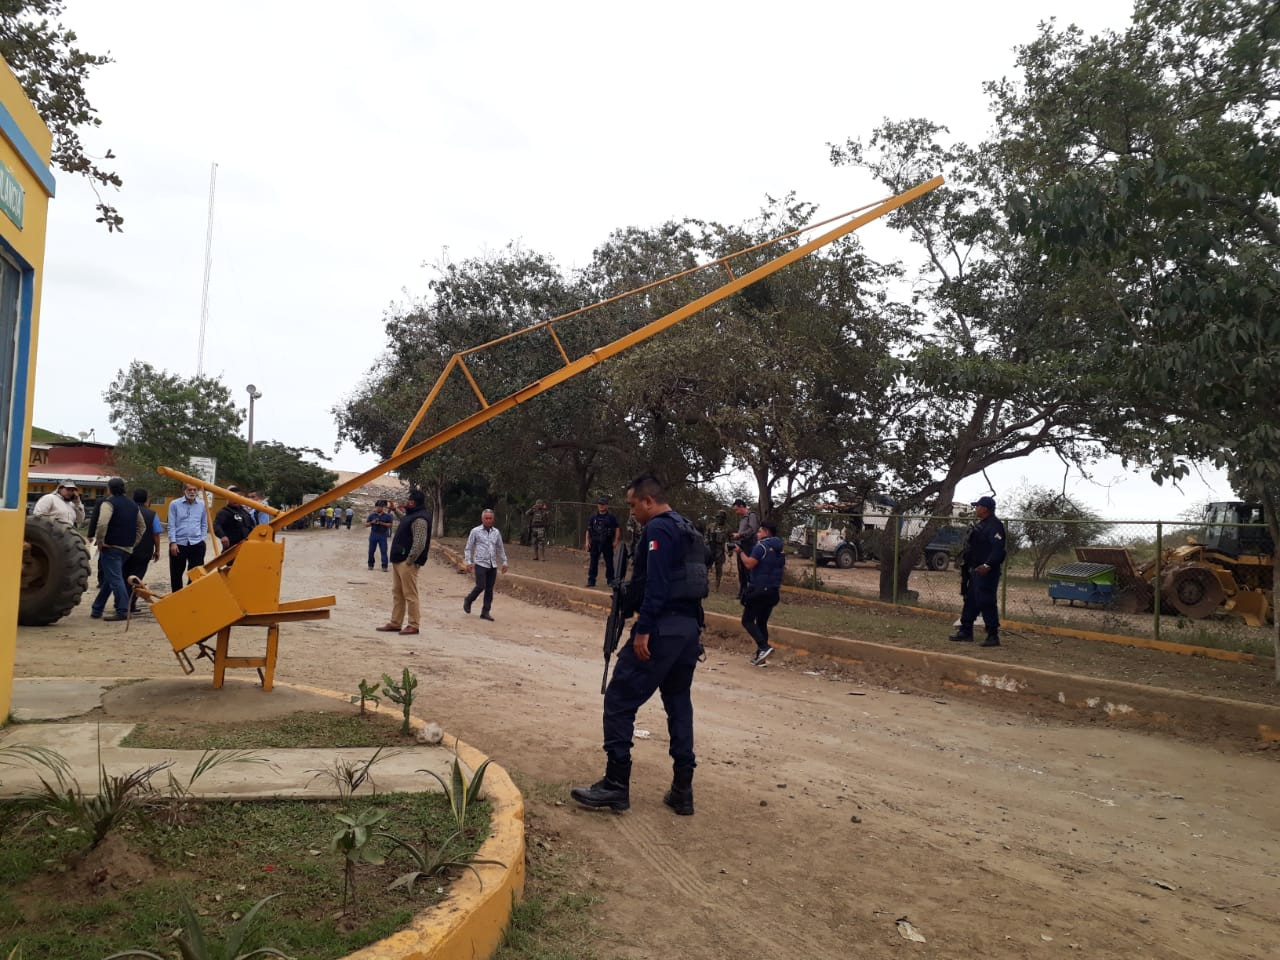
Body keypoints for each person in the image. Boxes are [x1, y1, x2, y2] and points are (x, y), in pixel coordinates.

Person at [572, 474, 707, 817]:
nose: (631, 512)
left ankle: (616, 785)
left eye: (633, 505)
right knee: (679, 703)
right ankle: (682, 789)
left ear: (648, 501)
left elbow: (658, 586)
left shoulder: (659, 528)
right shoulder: (686, 527)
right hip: (688, 630)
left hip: (661, 629)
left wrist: (643, 630)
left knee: (619, 698)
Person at [949, 495, 1006, 648]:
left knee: (986, 602)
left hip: (986, 571)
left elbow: (998, 550)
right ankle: (966, 631)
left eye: (978, 506)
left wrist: (987, 565)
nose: (976, 509)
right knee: (971, 601)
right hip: (975, 570)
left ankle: (993, 635)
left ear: (985, 509)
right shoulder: (982, 525)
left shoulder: (995, 526)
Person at [376, 489, 432, 636]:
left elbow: (419, 543)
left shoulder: (420, 519)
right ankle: (395, 623)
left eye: (410, 501)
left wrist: (410, 560)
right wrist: (395, 510)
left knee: (410, 594)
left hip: (407, 562)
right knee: (397, 593)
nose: (407, 502)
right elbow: (406, 521)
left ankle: (413, 625)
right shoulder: (412, 516)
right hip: (398, 560)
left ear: (415, 503)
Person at [89, 477, 146, 621]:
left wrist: (100, 541)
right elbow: (142, 526)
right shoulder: (133, 505)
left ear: (109, 489)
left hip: (111, 547)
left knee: (115, 579)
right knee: (110, 578)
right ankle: (97, 609)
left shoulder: (109, 503)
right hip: (126, 548)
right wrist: (133, 542)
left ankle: (122, 610)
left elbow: (102, 523)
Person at [737, 520, 786, 665]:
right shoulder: (780, 548)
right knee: (762, 622)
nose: (757, 534)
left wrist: (740, 553)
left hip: (759, 590)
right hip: (773, 591)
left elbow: (749, 563)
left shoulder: (761, 546)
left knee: (747, 620)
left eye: (759, 531)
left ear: (766, 532)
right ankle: (761, 657)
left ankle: (764, 647)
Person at [463, 509, 509, 621]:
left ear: (493, 519)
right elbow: (468, 548)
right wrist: (468, 562)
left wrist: (504, 561)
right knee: (481, 585)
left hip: (492, 564)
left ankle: (485, 611)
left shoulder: (496, 532)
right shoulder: (475, 531)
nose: (488, 520)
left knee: (489, 589)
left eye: (490, 518)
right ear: (482, 519)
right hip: (480, 563)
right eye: (486, 518)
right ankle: (469, 600)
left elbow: (500, 548)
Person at [123, 488, 162, 612]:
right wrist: (157, 550)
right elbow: (156, 534)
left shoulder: (126, 511)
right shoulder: (152, 514)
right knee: (137, 578)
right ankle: (131, 604)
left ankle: (121, 603)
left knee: (124, 576)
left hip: (125, 549)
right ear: (146, 499)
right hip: (144, 551)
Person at [167, 482, 209, 591]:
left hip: (196, 544)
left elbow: (204, 523)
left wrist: (202, 539)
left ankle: (191, 595)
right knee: (176, 573)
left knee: (196, 573)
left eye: (195, 490)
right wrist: (173, 542)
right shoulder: (174, 504)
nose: (192, 492)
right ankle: (176, 598)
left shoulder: (202, 504)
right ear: (184, 490)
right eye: (190, 490)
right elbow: (171, 524)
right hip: (179, 544)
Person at [584, 497, 621, 587]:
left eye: (603, 504)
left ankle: (610, 580)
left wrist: (616, 540)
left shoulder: (611, 517)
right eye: (600, 504)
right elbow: (588, 529)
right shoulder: (593, 517)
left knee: (609, 562)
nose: (601, 506)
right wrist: (587, 541)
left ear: (607, 506)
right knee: (593, 562)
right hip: (595, 542)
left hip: (607, 542)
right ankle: (591, 580)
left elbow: (617, 528)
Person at [729, 498, 760, 596]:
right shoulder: (742, 519)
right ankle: (742, 592)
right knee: (741, 570)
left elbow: (753, 529)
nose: (736, 512)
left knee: (748, 569)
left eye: (736, 509)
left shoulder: (752, 516)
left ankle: (749, 592)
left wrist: (740, 535)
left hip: (749, 546)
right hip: (741, 545)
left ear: (741, 506)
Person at [214, 486, 256, 553]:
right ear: (228, 498)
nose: (235, 499)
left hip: (246, 547)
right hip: (232, 548)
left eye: (237, 497)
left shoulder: (244, 512)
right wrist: (222, 536)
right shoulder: (224, 512)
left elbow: (252, 526)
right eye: (232, 497)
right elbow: (216, 525)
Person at [365, 499, 394, 570]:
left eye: (380, 507)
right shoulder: (372, 515)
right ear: (375, 507)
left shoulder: (387, 516)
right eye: (377, 506)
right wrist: (372, 522)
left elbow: (390, 525)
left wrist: (382, 523)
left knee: (384, 551)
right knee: (371, 551)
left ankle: (384, 566)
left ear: (383, 507)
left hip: (383, 535)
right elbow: (366, 525)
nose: (378, 508)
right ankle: (370, 565)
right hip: (373, 534)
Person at [704, 509, 729, 591]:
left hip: (720, 550)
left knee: (719, 568)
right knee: (707, 567)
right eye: (718, 517)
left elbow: (730, 540)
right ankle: (704, 584)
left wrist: (730, 550)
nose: (720, 519)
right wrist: (707, 542)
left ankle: (717, 586)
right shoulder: (710, 526)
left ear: (724, 518)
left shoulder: (727, 528)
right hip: (711, 548)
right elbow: (706, 535)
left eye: (722, 517)